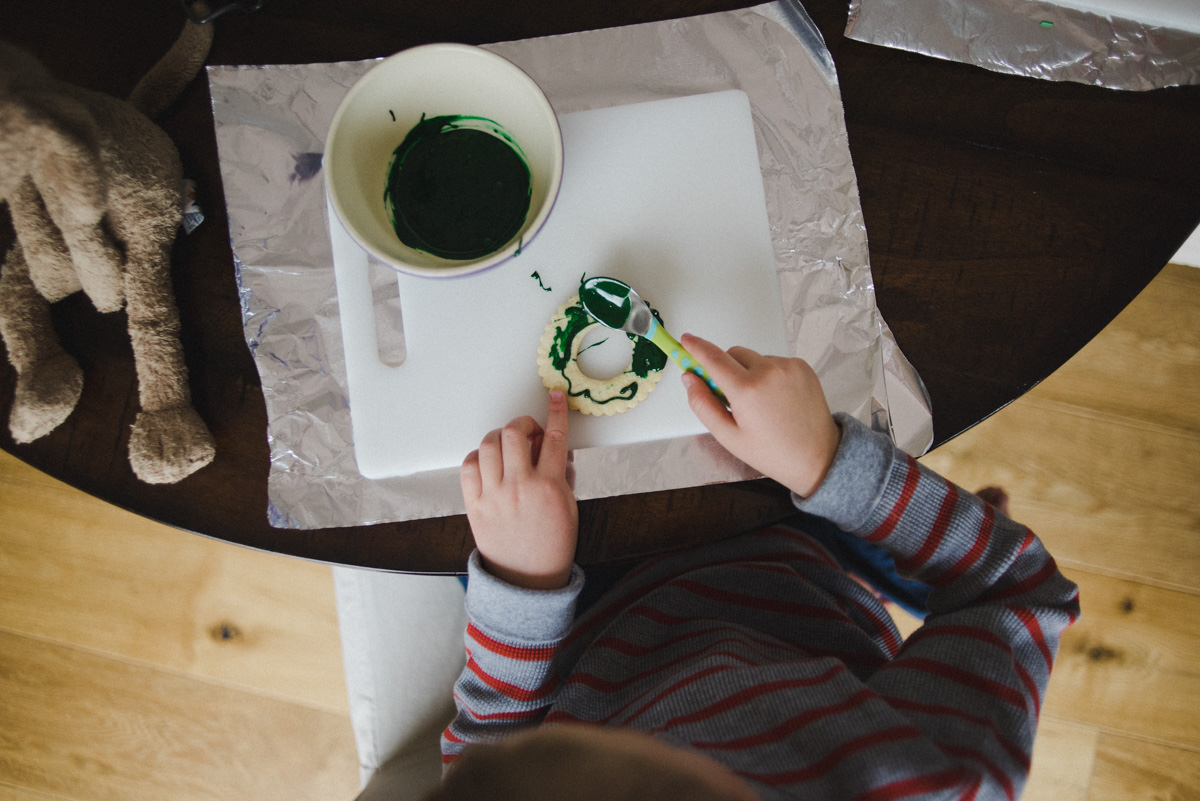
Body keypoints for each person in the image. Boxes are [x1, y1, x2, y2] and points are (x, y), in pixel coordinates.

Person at [424, 333, 1080, 801]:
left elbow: (486, 755)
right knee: (887, 508)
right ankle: (887, 540)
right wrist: (829, 464)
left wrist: (520, 590)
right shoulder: (942, 780)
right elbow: (1021, 591)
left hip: (577, 609)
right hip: (794, 568)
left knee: (459, 484)